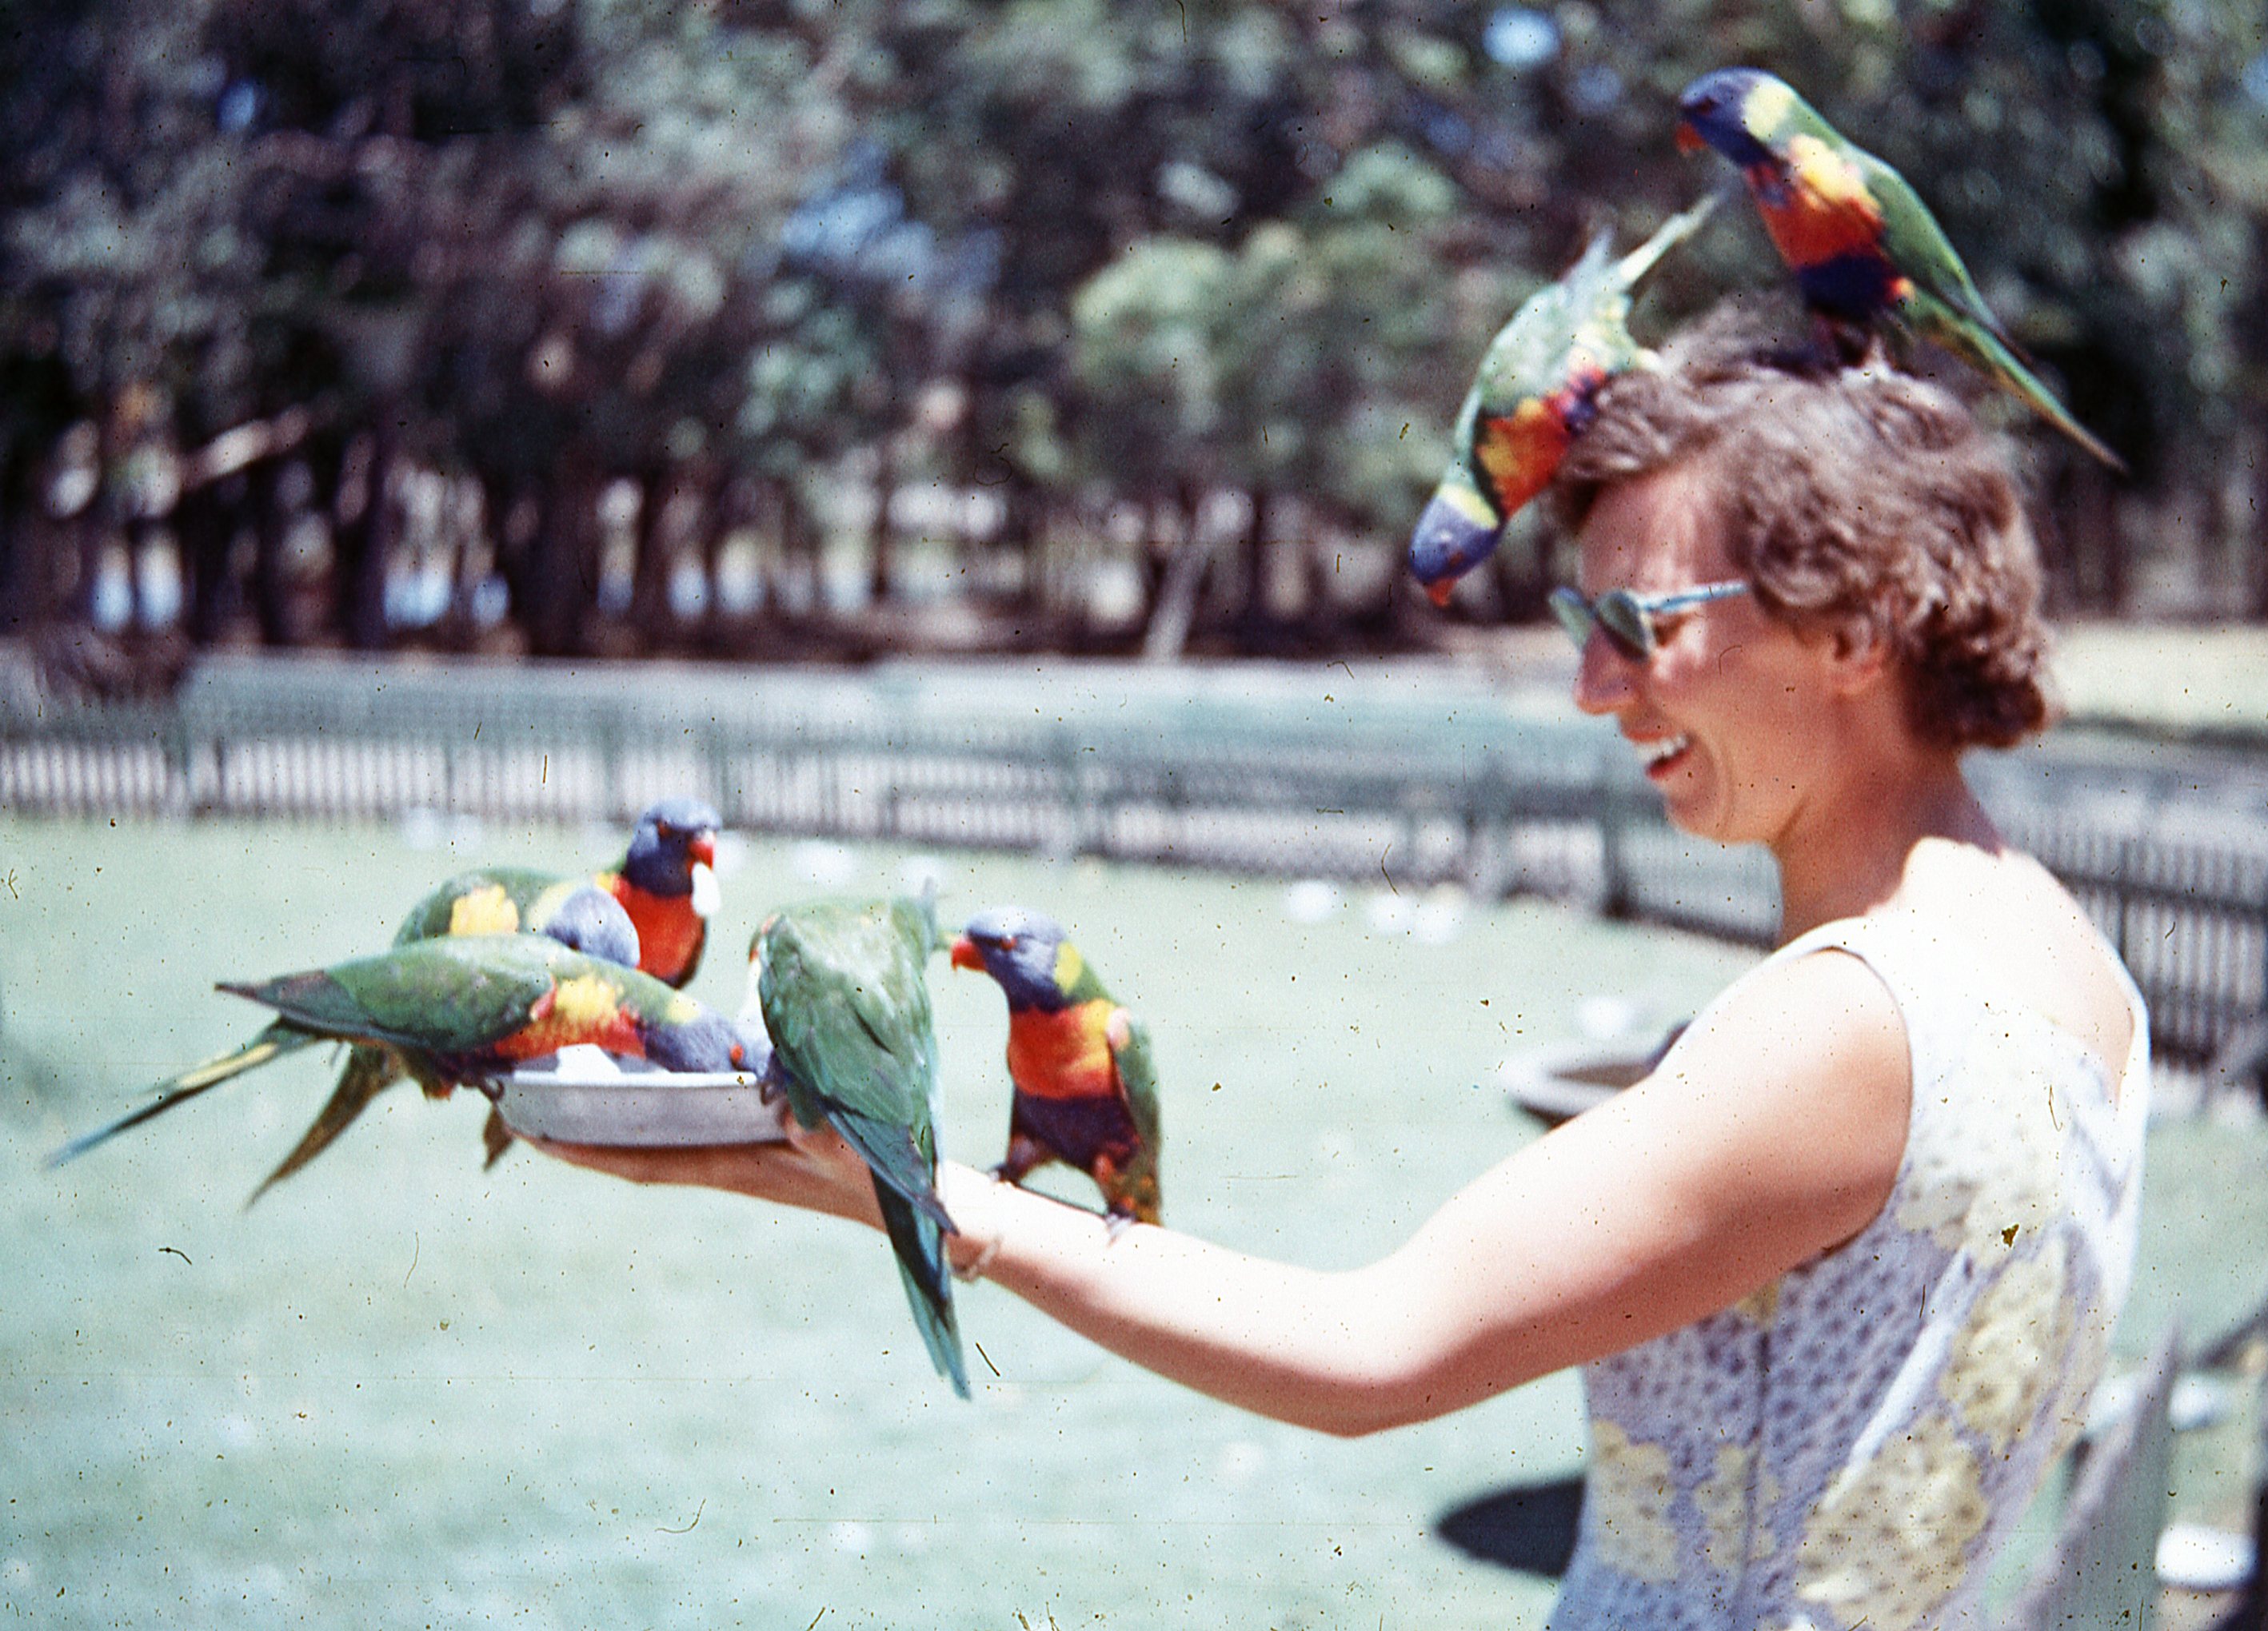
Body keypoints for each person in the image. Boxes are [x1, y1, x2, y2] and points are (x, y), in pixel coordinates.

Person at [536, 300, 2151, 1631]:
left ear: (1856, 627)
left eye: (1638, 623)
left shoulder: (1848, 1023)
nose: (1592, 687)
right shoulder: (2069, 967)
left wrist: (930, 1202)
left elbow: (1373, 1351)